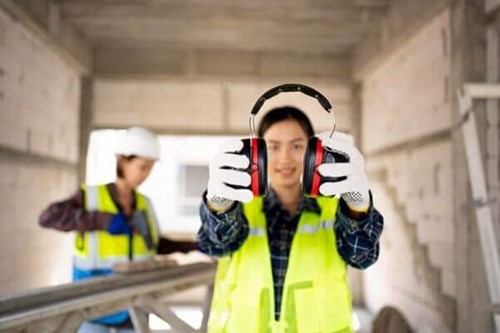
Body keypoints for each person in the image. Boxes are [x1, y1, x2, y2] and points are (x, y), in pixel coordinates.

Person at [198, 106, 384, 333]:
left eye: (297, 146)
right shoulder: (241, 205)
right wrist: (219, 205)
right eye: (273, 147)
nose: (285, 158)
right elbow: (215, 244)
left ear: (313, 153)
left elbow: (362, 257)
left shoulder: (334, 209)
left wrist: (357, 207)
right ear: (259, 154)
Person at [39, 127, 197, 333]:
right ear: (123, 161)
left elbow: (153, 245)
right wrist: (102, 220)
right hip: (93, 308)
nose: (146, 174)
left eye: (150, 168)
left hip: (135, 306)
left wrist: (193, 245)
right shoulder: (91, 197)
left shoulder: (144, 204)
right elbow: (48, 217)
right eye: (142, 167)